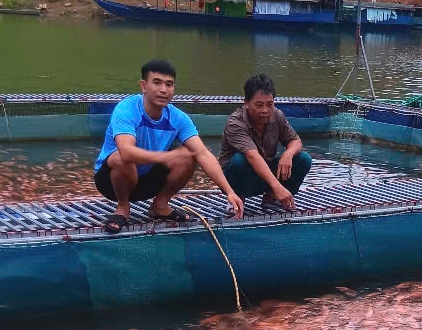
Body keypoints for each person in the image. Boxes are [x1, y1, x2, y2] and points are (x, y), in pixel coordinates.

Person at [94, 60, 244, 234]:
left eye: (169, 84)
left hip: (146, 181)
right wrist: (165, 157)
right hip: (111, 182)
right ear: (144, 86)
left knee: (189, 154)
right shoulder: (127, 109)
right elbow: (126, 152)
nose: (163, 90)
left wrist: (229, 192)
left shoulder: (178, 118)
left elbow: (203, 153)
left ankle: (160, 205)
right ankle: (123, 207)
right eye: (157, 83)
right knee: (120, 157)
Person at [217, 74, 312, 211]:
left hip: (264, 173)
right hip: (236, 177)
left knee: (303, 159)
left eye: (270, 104)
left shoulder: (277, 115)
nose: (265, 110)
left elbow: (295, 141)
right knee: (239, 161)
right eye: (259, 105)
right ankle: (237, 199)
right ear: (246, 103)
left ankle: (272, 198)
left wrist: (288, 154)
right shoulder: (235, 122)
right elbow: (252, 156)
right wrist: (277, 186)